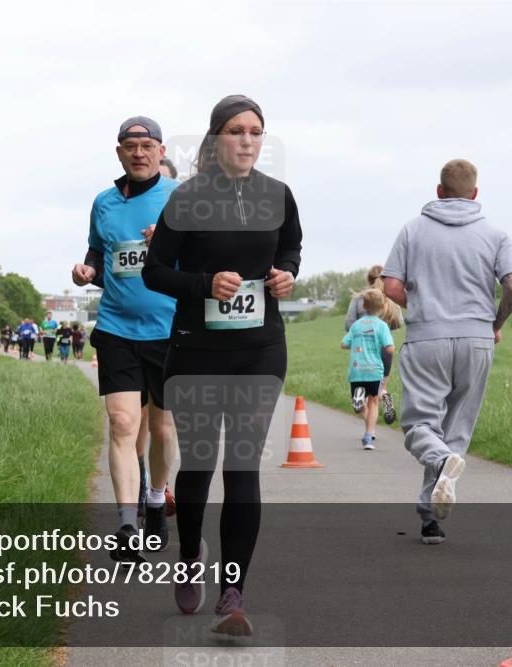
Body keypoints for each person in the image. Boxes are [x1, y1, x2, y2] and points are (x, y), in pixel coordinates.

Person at [144, 94, 302, 636]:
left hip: (261, 349)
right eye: (237, 131)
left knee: (242, 467)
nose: (248, 141)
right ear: (216, 140)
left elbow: (292, 250)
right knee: (199, 465)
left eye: (256, 132)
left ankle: (232, 591)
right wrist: (203, 284)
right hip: (195, 350)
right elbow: (155, 272)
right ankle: (190, 554)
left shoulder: (278, 196)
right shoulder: (186, 200)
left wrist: (285, 275)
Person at [382, 158, 512, 545]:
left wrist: (425, 306)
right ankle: (432, 518)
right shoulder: (496, 234)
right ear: (475, 194)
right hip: (477, 338)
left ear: (439, 191)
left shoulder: (413, 230)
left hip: (428, 336)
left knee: (419, 426)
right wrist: (495, 324)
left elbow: (391, 289)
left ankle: (439, 482)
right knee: (455, 430)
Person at [71, 115, 181, 563]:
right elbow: (98, 250)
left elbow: (206, 252)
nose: (138, 152)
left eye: (147, 144)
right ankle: (126, 525)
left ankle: (156, 498)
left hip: (172, 328)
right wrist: (86, 270)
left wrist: (171, 242)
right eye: (129, 145)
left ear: (159, 151)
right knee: (122, 424)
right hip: (116, 328)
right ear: (119, 152)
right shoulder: (103, 202)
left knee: (162, 427)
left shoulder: (179, 197)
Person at [344, 265, 404, 430]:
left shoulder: (360, 299)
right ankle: (385, 399)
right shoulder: (390, 298)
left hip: (363, 353)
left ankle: (370, 428)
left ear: (368, 279)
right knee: (379, 389)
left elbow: (349, 324)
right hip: (385, 351)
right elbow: (399, 322)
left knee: (361, 393)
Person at [340, 288, 395, 450]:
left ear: (363, 305)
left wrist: (356, 343)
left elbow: (343, 344)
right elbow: (390, 348)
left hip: (357, 371)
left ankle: (362, 413)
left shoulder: (356, 326)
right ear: (383, 307)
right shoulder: (382, 326)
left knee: (359, 407)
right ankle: (368, 435)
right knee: (373, 402)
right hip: (374, 370)